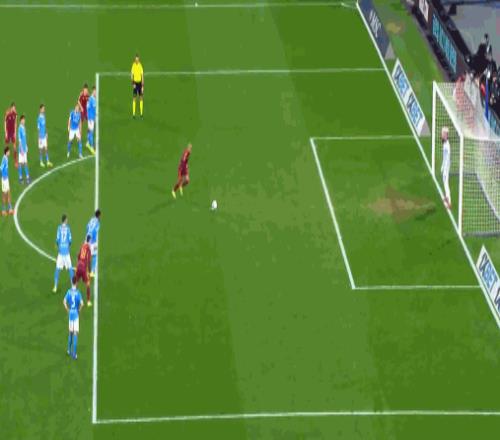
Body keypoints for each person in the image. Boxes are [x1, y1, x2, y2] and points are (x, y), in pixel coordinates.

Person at [63, 277, 84, 360]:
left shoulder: (68, 292)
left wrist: (67, 309)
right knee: (75, 333)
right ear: (76, 283)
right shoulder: (78, 293)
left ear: (71, 282)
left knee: (70, 333)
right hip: (75, 314)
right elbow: (82, 304)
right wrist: (79, 310)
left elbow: (64, 301)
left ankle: (68, 350)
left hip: (70, 313)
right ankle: (74, 354)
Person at [53, 214, 74, 293]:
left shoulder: (59, 228)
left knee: (57, 269)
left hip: (61, 252)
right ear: (65, 220)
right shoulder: (68, 228)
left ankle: (55, 286)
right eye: (67, 219)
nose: (67, 220)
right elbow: (70, 240)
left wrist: (59, 246)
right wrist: (68, 246)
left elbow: (57, 239)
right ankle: (73, 286)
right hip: (66, 252)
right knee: (70, 269)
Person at [75, 235, 92, 306]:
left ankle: (74, 298)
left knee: (76, 283)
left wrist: (78, 264)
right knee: (88, 284)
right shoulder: (88, 248)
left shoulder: (82, 246)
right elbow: (89, 261)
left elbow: (78, 255)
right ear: (89, 241)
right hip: (83, 268)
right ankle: (88, 301)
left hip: (78, 266)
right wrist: (89, 272)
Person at [86, 209, 101, 277]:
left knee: (88, 255)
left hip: (87, 240)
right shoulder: (97, 223)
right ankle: (92, 272)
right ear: (99, 215)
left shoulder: (91, 220)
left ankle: (87, 269)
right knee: (94, 256)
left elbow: (87, 227)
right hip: (93, 242)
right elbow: (94, 231)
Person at [17, 115, 30, 184]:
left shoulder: (24, 127)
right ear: (20, 121)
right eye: (23, 120)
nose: (24, 121)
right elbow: (19, 141)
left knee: (25, 163)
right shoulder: (19, 129)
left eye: (24, 120)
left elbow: (24, 138)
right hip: (21, 150)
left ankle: (27, 177)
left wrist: (26, 146)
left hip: (24, 148)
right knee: (21, 163)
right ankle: (21, 178)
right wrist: (21, 149)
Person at [131, 54, 144, 118]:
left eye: (137, 59)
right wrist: (132, 83)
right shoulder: (133, 65)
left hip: (140, 83)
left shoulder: (140, 65)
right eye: (136, 59)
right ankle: (133, 114)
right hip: (135, 83)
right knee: (134, 98)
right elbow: (132, 75)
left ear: (139, 59)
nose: (137, 60)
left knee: (141, 98)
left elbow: (142, 76)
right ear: (135, 59)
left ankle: (141, 113)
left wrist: (142, 86)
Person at [1, 147, 13, 216]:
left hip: (6, 179)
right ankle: (3, 210)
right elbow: (1, 168)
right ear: (6, 152)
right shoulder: (4, 159)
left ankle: (10, 208)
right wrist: (3, 177)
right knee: (4, 195)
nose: (9, 153)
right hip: (4, 180)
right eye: (9, 152)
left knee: (8, 193)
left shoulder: (6, 158)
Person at [4, 103, 17, 168]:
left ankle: (15, 161)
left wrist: (15, 132)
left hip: (12, 132)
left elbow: (15, 123)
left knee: (14, 147)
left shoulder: (15, 114)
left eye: (15, 108)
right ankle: (5, 161)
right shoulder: (7, 113)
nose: (14, 109)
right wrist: (5, 132)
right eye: (13, 108)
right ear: (11, 107)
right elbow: (5, 122)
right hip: (8, 132)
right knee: (7, 146)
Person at [441, 127, 451, 210]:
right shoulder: (444, 143)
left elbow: (448, 157)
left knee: (446, 182)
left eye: (443, 133)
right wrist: (442, 165)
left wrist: (445, 168)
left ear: (446, 135)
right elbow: (444, 157)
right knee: (444, 182)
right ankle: (447, 196)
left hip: (447, 167)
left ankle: (449, 201)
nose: (442, 134)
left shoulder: (447, 145)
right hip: (445, 166)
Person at [86, 86, 97, 154]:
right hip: (91, 118)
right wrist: (90, 118)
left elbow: (88, 107)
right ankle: (92, 147)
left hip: (91, 117)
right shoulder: (92, 99)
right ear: (93, 91)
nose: (96, 92)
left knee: (89, 130)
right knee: (91, 132)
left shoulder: (92, 98)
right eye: (95, 91)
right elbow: (90, 108)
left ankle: (87, 142)